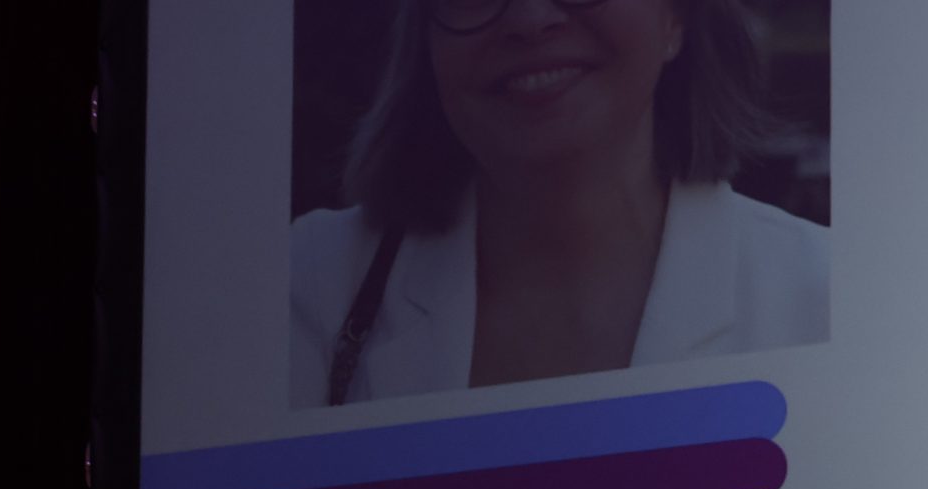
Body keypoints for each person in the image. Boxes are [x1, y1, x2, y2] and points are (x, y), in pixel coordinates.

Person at [291, 0, 828, 406]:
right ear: (427, 44)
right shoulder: (307, 286)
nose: (529, 18)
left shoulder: (829, 295)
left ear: (675, 19)